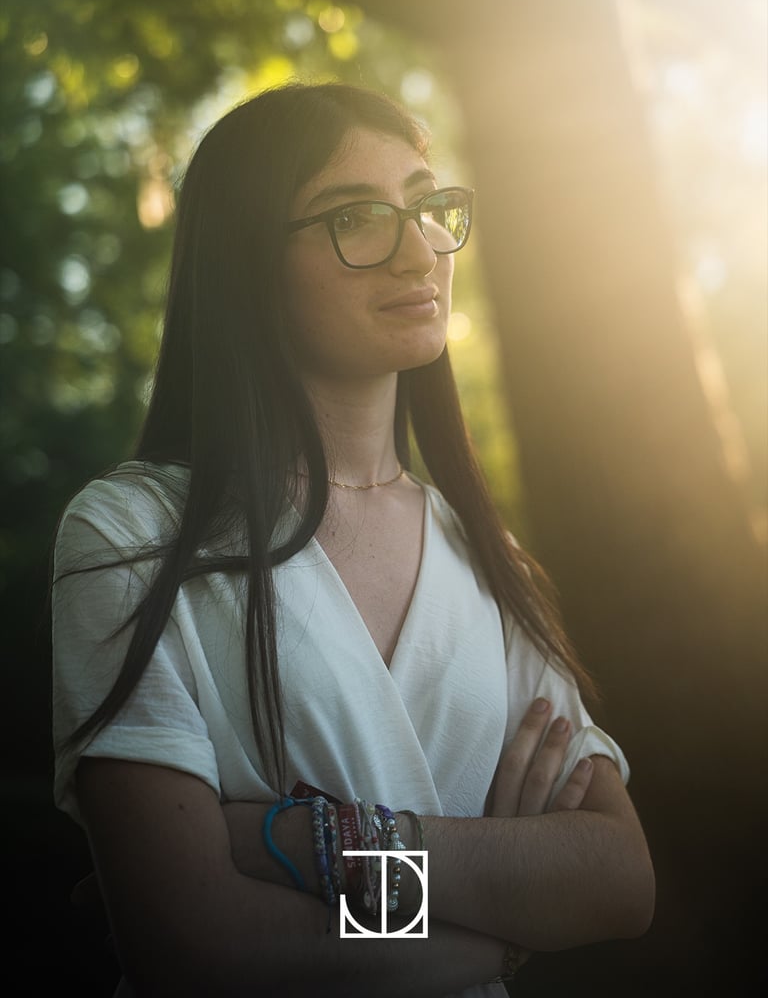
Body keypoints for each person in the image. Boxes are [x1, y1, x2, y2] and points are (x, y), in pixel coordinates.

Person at [51, 81, 654, 998]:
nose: (419, 251)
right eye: (357, 217)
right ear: (248, 262)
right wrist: (493, 922)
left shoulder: (491, 558)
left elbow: (617, 882)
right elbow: (195, 944)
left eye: (426, 206)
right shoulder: (130, 535)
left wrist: (311, 844)